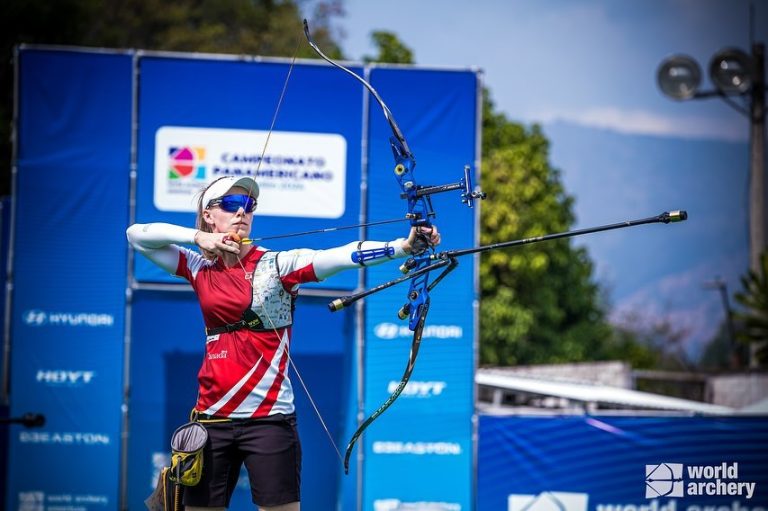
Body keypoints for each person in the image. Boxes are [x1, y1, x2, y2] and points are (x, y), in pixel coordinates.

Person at [126, 175, 440, 511]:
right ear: (208, 214)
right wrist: (198, 237)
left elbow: (342, 256)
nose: (241, 212)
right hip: (211, 419)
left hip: (269, 419)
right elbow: (137, 235)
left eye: (248, 205)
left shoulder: (277, 265)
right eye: (231, 204)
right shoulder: (198, 267)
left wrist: (403, 247)